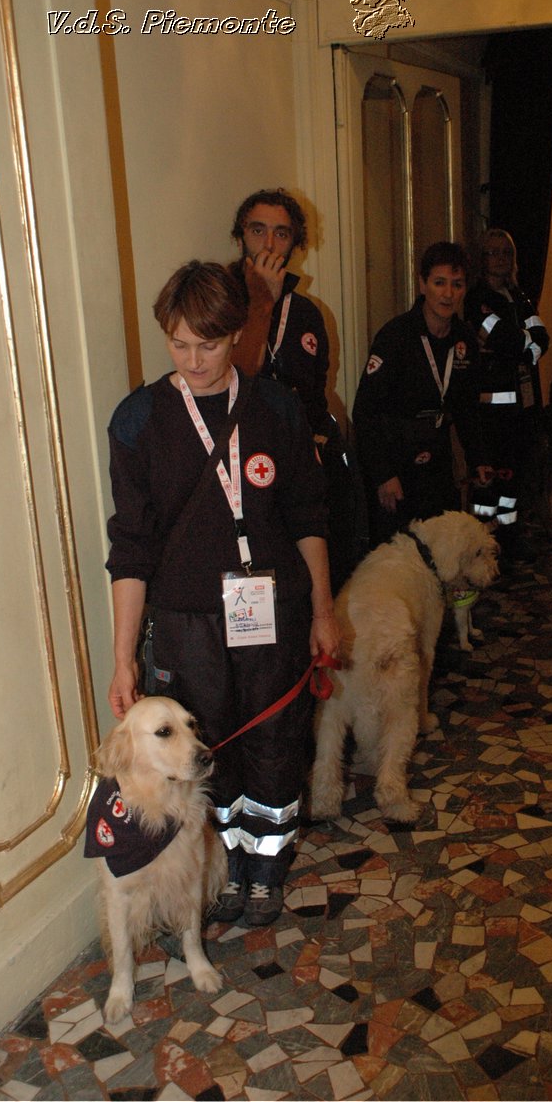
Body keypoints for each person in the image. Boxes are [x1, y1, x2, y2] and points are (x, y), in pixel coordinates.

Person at [106, 261, 339, 927]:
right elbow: (130, 549)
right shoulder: (139, 421)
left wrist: (323, 612)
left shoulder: (276, 409)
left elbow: (308, 516)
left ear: (237, 333)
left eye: (208, 344)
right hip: (186, 623)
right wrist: (124, 658)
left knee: (274, 743)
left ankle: (266, 869)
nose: (194, 359)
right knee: (207, 749)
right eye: (179, 344)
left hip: (274, 612)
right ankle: (231, 863)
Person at [229, 188, 362, 590]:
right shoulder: (220, 298)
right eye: (258, 230)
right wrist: (261, 303)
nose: (269, 244)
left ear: (296, 245)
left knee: (314, 574)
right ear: (240, 238)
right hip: (242, 465)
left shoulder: (307, 313)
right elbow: (235, 376)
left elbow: (315, 391)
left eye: (282, 234)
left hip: (300, 464)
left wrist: (320, 444)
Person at [353, 241, 489, 545]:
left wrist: (478, 457)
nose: (448, 293)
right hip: (396, 460)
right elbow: (364, 412)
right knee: (397, 554)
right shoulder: (395, 337)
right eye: (439, 283)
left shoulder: (464, 339)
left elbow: (467, 408)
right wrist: (383, 474)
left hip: (439, 460)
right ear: (422, 284)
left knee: (443, 547)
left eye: (457, 284)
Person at [464, 228, 550, 555]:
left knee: (513, 480)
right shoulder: (477, 300)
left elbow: (542, 338)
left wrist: (524, 344)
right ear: (482, 259)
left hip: (522, 412)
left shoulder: (520, 296)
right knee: (488, 482)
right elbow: (508, 339)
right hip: (492, 414)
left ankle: (510, 537)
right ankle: (481, 544)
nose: (500, 258)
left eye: (505, 252)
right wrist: (525, 344)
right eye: (493, 252)